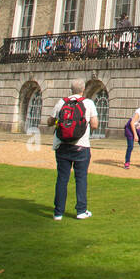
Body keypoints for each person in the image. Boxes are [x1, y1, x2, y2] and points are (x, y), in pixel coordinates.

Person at [47, 80, 99, 220]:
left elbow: (49, 121)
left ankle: (58, 213)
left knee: (62, 179)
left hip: (62, 145)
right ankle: (81, 211)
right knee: (81, 178)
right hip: (81, 146)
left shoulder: (61, 102)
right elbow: (94, 124)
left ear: (71, 89)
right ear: (83, 89)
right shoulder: (88, 103)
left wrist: (58, 122)